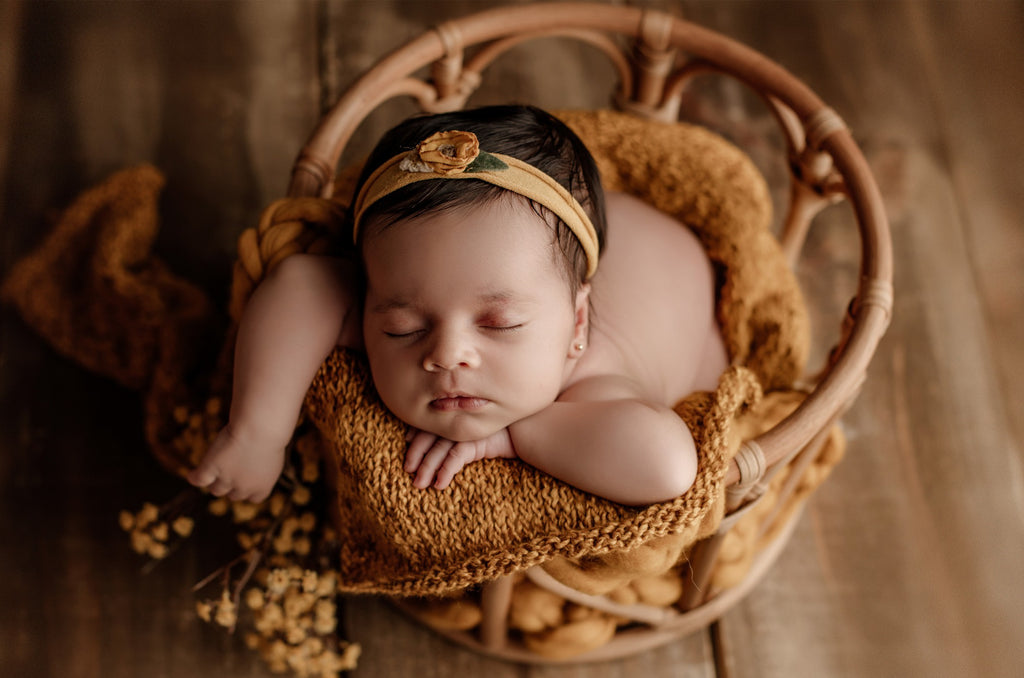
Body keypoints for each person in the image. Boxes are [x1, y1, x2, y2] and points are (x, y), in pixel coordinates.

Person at [187, 105, 728, 507]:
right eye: (402, 328)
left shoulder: (597, 388)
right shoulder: (411, 285)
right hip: (581, 238)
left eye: (501, 323)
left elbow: (669, 465)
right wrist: (256, 432)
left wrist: (513, 435)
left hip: (680, 287)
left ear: (577, 325)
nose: (446, 354)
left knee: (711, 374)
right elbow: (302, 284)